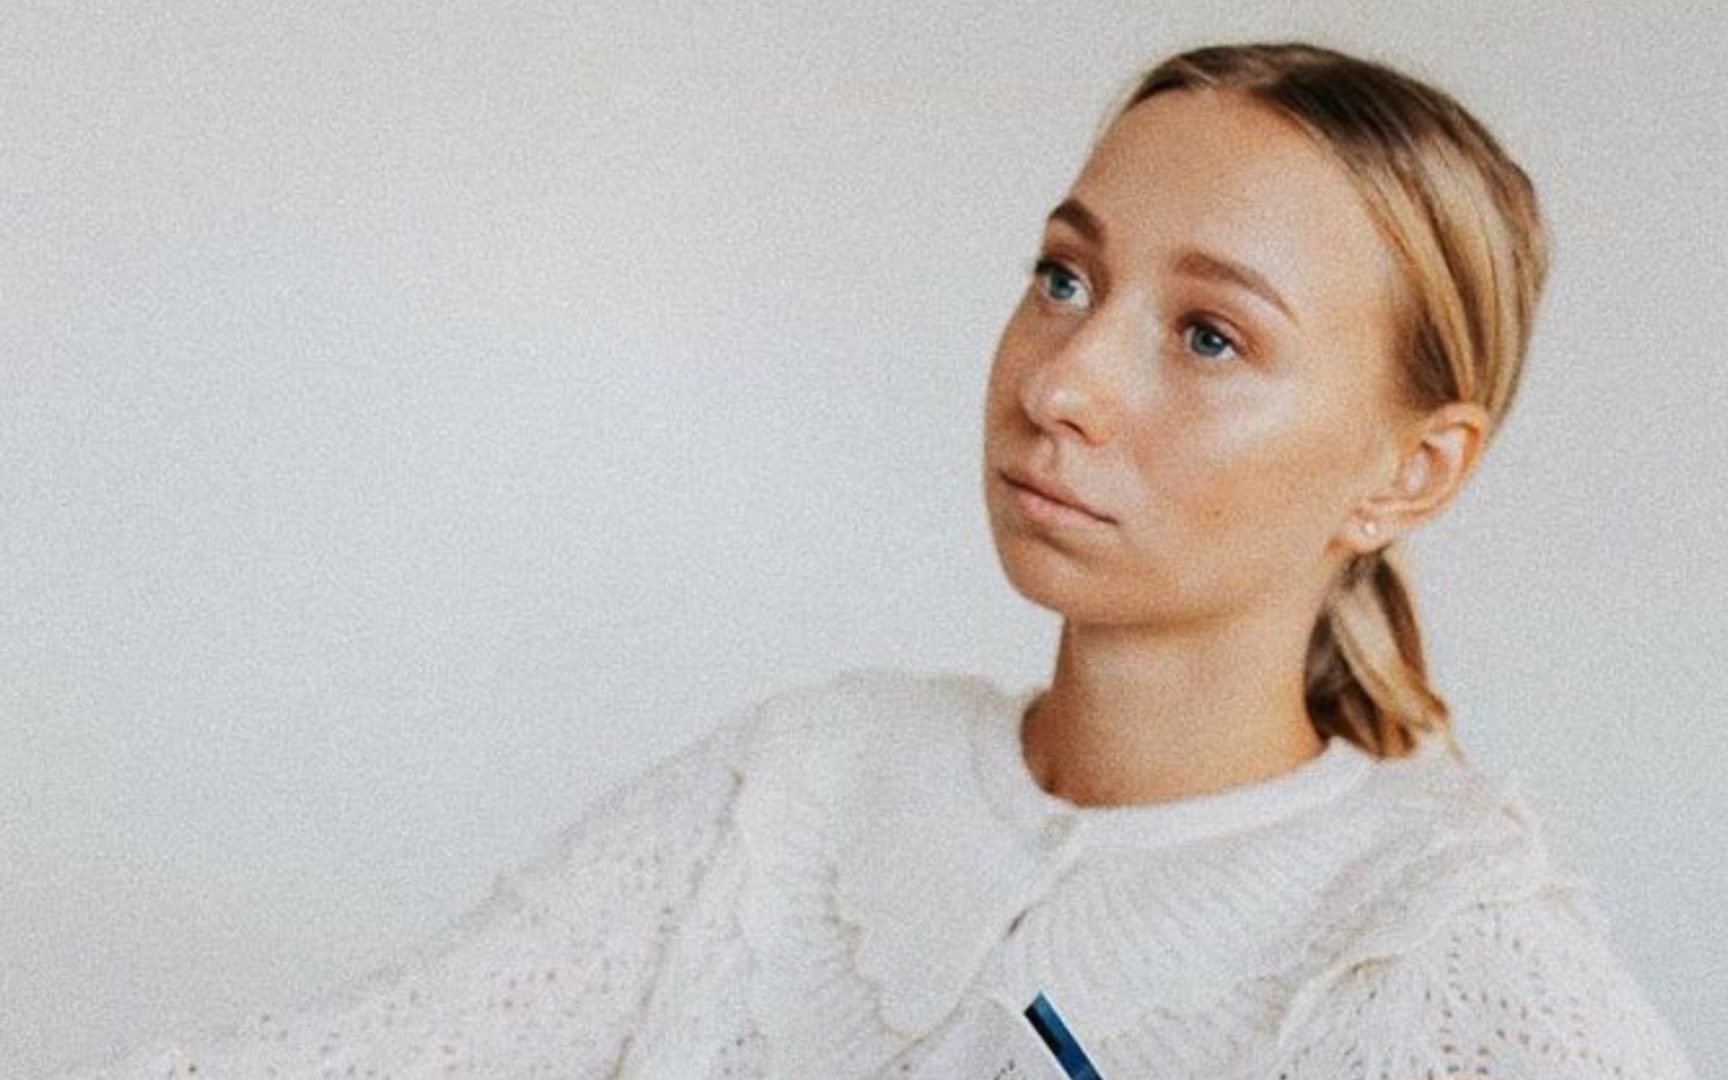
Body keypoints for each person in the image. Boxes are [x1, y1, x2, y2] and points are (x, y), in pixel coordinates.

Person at [55, 39, 1699, 1080]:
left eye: (1208, 335)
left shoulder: (1438, 951)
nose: (1063, 381)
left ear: (1413, 472)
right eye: (1064, 278)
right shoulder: (803, 791)